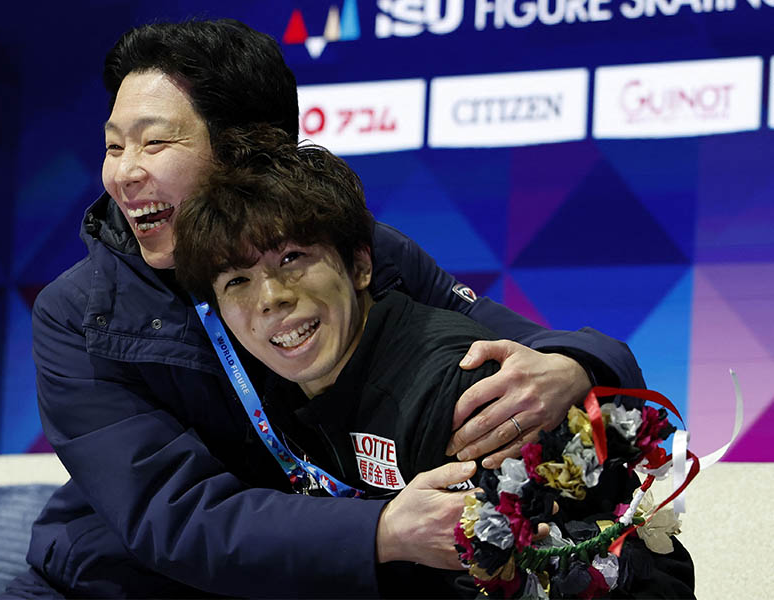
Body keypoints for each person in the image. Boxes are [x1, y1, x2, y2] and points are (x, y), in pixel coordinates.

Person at [3, 18, 645, 598]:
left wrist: (573, 365)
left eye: (154, 144)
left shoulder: (347, 245)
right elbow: (174, 517)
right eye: (115, 147)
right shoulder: (77, 314)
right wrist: (378, 532)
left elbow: (514, 342)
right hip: (106, 587)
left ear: (246, 149)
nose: (124, 175)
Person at [171, 126, 694, 598]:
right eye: (236, 280)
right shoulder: (277, 395)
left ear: (359, 265)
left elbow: (606, 572)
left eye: (292, 259)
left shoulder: (469, 392)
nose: (270, 298)